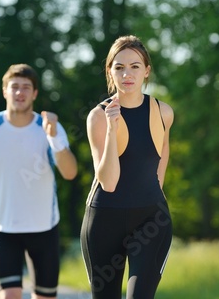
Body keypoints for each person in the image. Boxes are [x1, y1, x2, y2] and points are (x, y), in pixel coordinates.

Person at [0, 63, 78, 299]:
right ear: (5, 91)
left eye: (26, 87)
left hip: (45, 227)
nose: (20, 92)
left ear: (35, 94)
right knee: (10, 295)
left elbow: (70, 172)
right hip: (4, 228)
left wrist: (54, 137)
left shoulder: (49, 128)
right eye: (14, 87)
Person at [80, 35, 174, 299]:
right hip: (104, 220)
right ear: (110, 72)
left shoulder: (163, 112)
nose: (127, 74)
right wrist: (112, 128)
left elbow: (161, 157)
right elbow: (109, 182)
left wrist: (154, 199)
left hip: (151, 221)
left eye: (134, 66)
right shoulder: (99, 117)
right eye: (119, 67)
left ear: (146, 70)